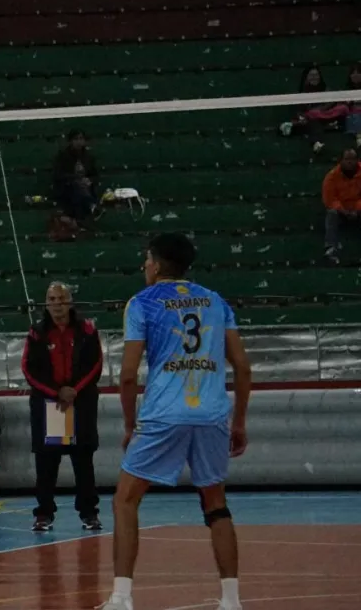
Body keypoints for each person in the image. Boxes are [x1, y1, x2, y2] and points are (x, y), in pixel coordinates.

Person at [99, 233, 252, 610]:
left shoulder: (143, 302)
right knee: (215, 505)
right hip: (212, 413)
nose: (143, 266)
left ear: (156, 262)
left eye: (145, 259)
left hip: (165, 414)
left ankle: (122, 597)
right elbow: (243, 368)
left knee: (125, 500)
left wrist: (131, 425)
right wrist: (240, 422)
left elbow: (129, 374)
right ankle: (231, 600)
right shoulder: (215, 301)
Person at [21, 282, 103, 531]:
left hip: (81, 403)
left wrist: (74, 390)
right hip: (49, 406)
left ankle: (89, 513)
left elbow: (96, 363)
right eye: (52, 298)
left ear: (70, 302)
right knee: (46, 463)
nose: (57, 303)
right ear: (46, 303)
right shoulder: (36, 333)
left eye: (61, 298)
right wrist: (56, 393)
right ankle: (44, 514)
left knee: (83, 461)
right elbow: (28, 369)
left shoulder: (87, 330)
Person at [322, 147, 361, 264]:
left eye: (353, 159)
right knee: (332, 214)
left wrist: (357, 209)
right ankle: (331, 248)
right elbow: (329, 199)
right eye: (347, 159)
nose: (350, 162)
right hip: (341, 212)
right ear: (341, 161)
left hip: (358, 210)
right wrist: (343, 210)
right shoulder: (331, 177)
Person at [53, 129, 99, 225]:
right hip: (68, 188)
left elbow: (95, 175)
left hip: (87, 188)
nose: (79, 142)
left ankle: (89, 208)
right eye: (76, 139)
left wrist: (89, 180)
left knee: (83, 187)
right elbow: (58, 175)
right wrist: (76, 179)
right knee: (77, 186)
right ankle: (92, 206)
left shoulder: (89, 157)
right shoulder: (63, 156)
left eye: (81, 139)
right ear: (70, 141)